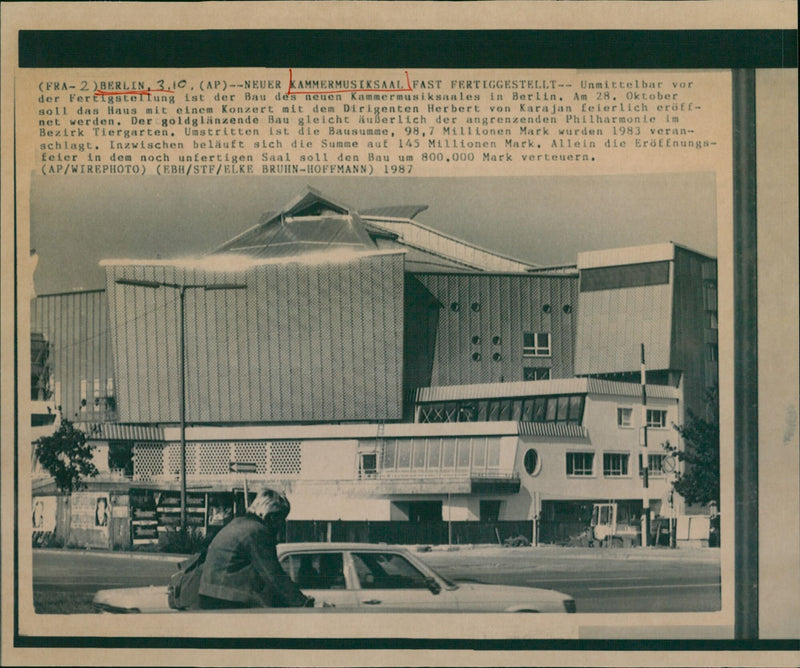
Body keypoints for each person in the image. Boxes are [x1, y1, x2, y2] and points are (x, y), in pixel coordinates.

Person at [197, 487, 314, 609]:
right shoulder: (258, 532)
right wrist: (302, 603)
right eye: (281, 519)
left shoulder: (237, 523)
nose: (281, 525)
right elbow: (273, 574)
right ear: (272, 517)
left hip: (209, 597)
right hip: (228, 601)